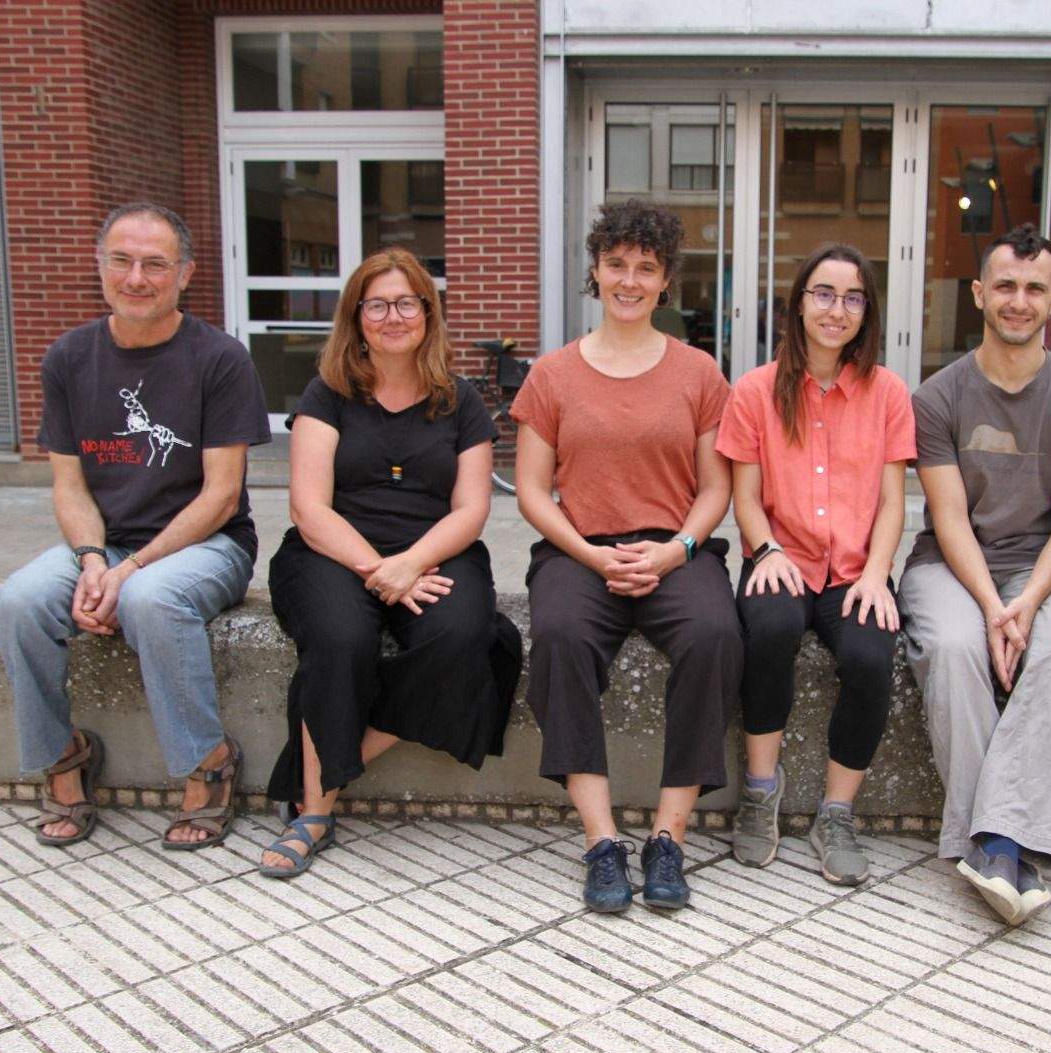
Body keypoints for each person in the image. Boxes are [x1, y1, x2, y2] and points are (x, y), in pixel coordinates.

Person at [0, 202, 270, 849]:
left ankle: (209, 761)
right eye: (121, 260)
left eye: (154, 263)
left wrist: (129, 568)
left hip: (207, 545)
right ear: (101, 267)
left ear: (184, 274)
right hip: (105, 544)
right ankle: (64, 756)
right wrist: (92, 560)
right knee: (19, 601)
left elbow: (222, 496)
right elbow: (70, 486)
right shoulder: (68, 358)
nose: (136, 277)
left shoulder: (220, 359)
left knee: (148, 599)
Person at [258, 248, 521, 877]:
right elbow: (309, 508)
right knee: (341, 638)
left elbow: (471, 510)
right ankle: (316, 813)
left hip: (436, 550)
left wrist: (412, 562)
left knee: (466, 637)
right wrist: (380, 569)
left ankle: (318, 769)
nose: (392, 316)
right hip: (332, 551)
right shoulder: (329, 394)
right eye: (376, 304)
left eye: (407, 303)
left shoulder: (460, 402)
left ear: (429, 315)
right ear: (356, 316)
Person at [511, 199, 742, 913]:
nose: (630, 280)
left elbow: (716, 488)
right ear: (595, 270)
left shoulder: (699, 372)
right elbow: (529, 490)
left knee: (715, 636)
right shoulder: (552, 375)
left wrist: (677, 551)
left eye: (646, 268)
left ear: (666, 278)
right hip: (579, 550)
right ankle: (602, 840)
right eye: (617, 265)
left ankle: (668, 838)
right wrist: (588, 553)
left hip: (675, 548)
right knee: (557, 638)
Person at [901, 224, 1051, 925]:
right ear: (978, 295)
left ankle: (993, 844)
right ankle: (1005, 846)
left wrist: (1026, 603)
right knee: (956, 647)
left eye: (1032, 288)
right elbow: (950, 517)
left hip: (1046, 566)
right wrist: (997, 608)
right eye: (1004, 286)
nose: (1018, 301)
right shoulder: (938, 396)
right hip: (952, 567)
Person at [718, 243, 915, 886]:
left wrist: (878, 574)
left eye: (853, 298)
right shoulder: (753, 390)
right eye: (823, 294)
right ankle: (760, 790)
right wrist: (766, 548)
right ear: (799, 303)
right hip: (782, 556)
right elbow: (745, 497)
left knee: (869, 654)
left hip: (856, 566)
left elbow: (893, 501)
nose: (837, 310)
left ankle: (836, 812)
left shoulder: (887, 393)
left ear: (867, 311)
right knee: (769, 630)